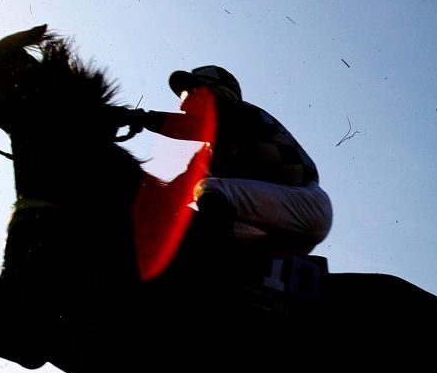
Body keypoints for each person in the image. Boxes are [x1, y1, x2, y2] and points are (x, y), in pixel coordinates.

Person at [118, 65, 332, 261]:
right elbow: (174, 194)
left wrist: (140, 118)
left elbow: (191, 127)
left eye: (188, 93)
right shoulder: (208, 155)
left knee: (208, 189)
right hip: (284, 228)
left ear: (216, 92)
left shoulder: (242, 112)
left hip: (307, 204)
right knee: (191, 223)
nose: (183, 105)